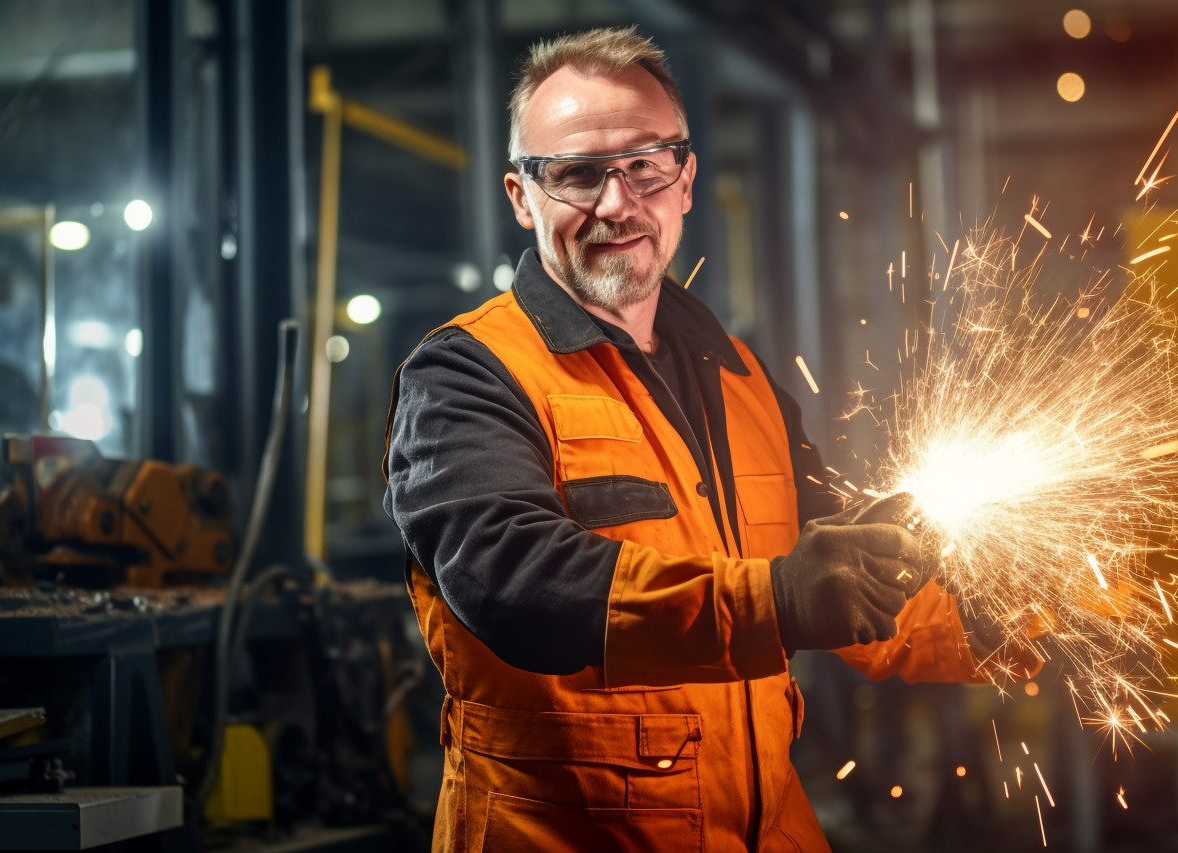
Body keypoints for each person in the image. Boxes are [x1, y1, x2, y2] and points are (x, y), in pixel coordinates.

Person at [384, 26, 1030, 853]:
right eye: (577, 174)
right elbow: (512, 581)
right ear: (522, 196)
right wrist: (776, 601)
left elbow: (852, 586)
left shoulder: (741, 377)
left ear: (685, 181)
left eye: (644, 166)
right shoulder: (467, 375)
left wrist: (1019, 612)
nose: (616, 204)